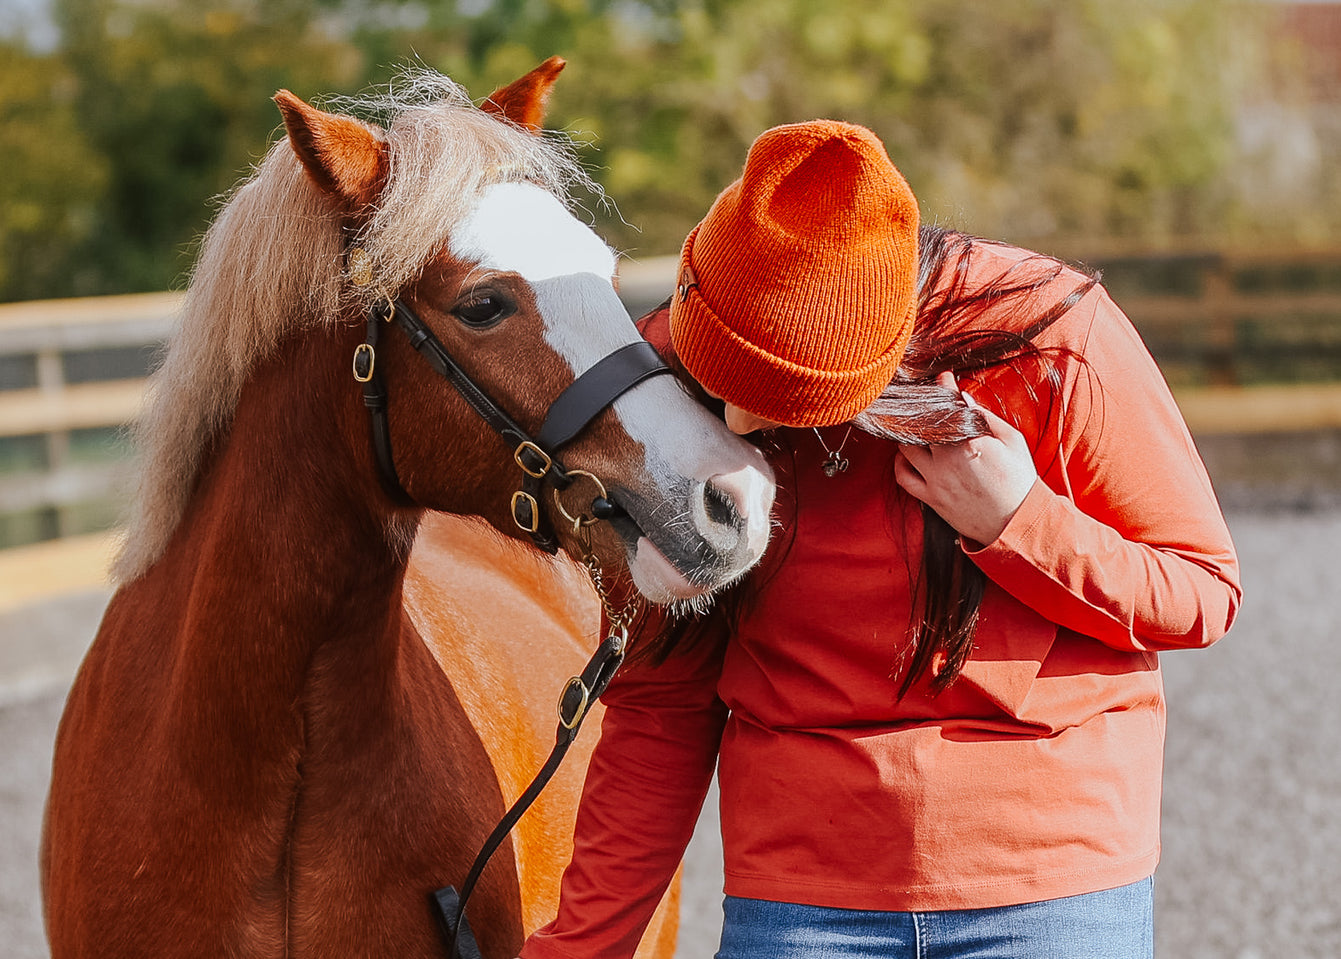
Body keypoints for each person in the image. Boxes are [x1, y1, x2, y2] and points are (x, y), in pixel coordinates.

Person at [518, 120, 1242, 959]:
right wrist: (579, 948)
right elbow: (661, 703)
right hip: (800, 894)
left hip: (1052, 883)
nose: (741, 426)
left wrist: (1019, 521)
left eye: (778, 406)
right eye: (726, 388)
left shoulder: (1050, 333)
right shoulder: (668, 378)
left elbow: (1201, 593)